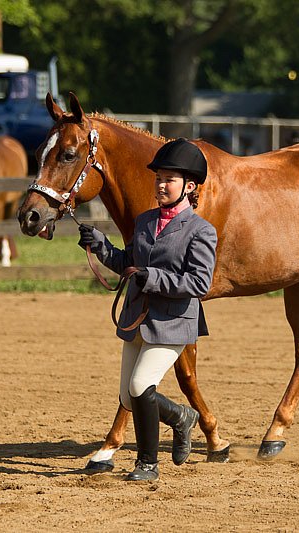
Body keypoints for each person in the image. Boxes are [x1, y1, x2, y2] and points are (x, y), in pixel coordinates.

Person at [78, 138, 217, 481]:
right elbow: (129, 263)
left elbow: (199, 284)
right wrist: (100, 246)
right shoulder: (144, 221)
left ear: (189, 186)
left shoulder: (202, 231)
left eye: (168, 179)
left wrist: (151, 277)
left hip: (172, 323)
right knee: (129, 394)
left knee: (141, 386)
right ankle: (182, 417)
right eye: (158, 178)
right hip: (137, 317)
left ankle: (148, 464)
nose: (160, 184)